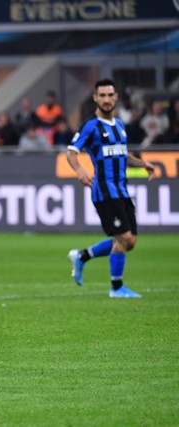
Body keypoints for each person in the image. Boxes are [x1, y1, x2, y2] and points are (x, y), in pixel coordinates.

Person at [66, 78, 156, 298]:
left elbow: (123, 154)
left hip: (122, 190)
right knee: (123, 238)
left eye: (110, 95)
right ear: (95, 98)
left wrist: (143, 164)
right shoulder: (90, 126)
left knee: (129, 241)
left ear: (116, 97)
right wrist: (79, 169)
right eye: (102, 95)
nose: (106, 100)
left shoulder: (120, 126)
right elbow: (71, 152)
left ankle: (82, 256)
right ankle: (116, 288)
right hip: (105, 191)